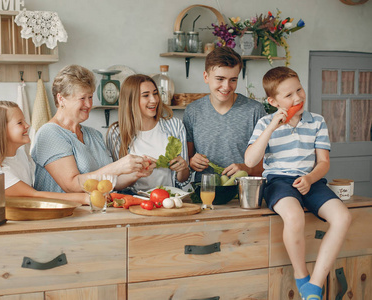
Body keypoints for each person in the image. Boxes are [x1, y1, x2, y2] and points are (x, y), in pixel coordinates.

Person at [244, 66, 351, 300]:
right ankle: (301, 275)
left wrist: (310, 178)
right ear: (273, 101)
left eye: (299, 90)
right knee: (294, 216)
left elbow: (323, 161)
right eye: (289, 95)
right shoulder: (265, 124)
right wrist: (272, 126)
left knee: (343, 217)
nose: (298, 97)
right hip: (278, 181)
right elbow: (251, 160)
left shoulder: (317, 122)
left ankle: (314, 284)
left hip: (310, 179)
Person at [31, 65, 154, 193]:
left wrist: (136, 173)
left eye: (90, 97)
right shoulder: (49, 134)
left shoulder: (94, 135)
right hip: (62, 212)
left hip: (94, 211)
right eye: (82, 98)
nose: (89, 104)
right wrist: (117, 167)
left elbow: (109, 182)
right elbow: (71, 185)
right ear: (61, 99)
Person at [0, 101, 88, 205]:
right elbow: (35, 195)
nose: (27, 125)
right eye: (20, 123)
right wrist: (85, 198)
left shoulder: (20, 154)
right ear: (2, 130)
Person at [183, 46, 266, 183]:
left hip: (243, 193)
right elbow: (186, 159)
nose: (226, 86)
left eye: (233, 79)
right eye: (220, 79)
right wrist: (192, 162)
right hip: (206, 192)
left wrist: (246, 168)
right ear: (206, 77)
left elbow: (269, 164)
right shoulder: (193, 111)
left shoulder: (255, 111)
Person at [106, 74, 190, 191]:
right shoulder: (116, 133)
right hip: (132, 202)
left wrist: (183, 168)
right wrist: (139, 172)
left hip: (168, 200)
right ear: (131, 100)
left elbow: (182, 180)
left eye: (155, 93)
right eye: (146, 95)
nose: (154, 100)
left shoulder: (175, 126)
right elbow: (114, 181)